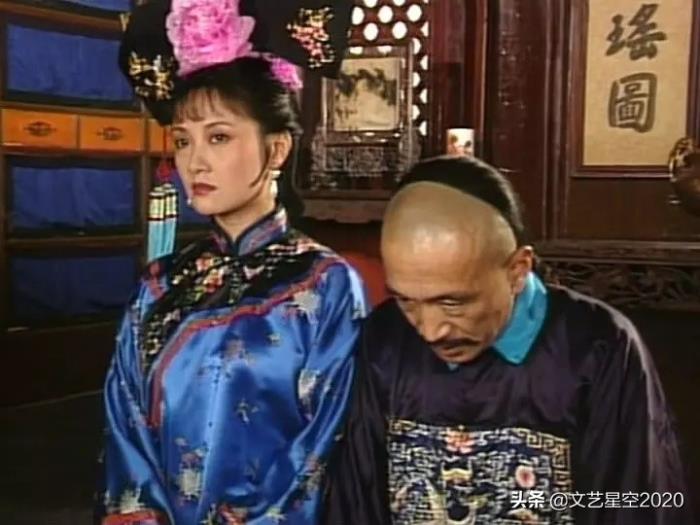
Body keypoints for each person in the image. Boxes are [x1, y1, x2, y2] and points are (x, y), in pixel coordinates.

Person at [95, 1, 365, 524]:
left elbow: (326, 445)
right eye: (183, 140)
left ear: (277, 149)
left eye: (218, 137)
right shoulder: (159, 287)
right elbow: (125, 427)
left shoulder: (325, 285)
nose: (194, 161)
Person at [323, 155, 693, 524]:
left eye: (453, 303)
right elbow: (357, 502)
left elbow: (634, 500)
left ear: (518, 270)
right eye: (407, 300)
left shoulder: (597, 346)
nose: (431, 330)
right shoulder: (385, 338)